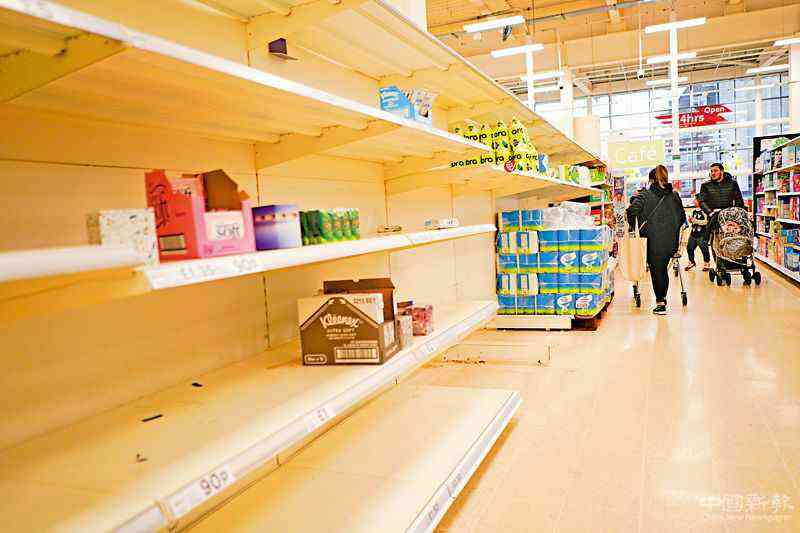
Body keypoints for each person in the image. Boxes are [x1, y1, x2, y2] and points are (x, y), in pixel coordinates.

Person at [627, 165, 687, 315]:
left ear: (651, 180)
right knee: (661, 269)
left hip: (652, 242)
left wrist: (634, 227)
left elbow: (631, 211)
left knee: (657, 270)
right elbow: (682, 218)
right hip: (671, 243)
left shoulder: (644, 195)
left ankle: (661, 303)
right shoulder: (675, 195)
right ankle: (661, 300)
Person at [685, 195, 710, 271]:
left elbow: (706, 222)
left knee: (704, 249)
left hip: (702, 234)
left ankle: (706, 263)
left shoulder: (705, 211)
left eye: (695, 200)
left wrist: (696, 221)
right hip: (693, 233)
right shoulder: (694, 211)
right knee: (689, 248)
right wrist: (690, 220)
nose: (693, 201)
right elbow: (693, 220)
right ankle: (691, 262)